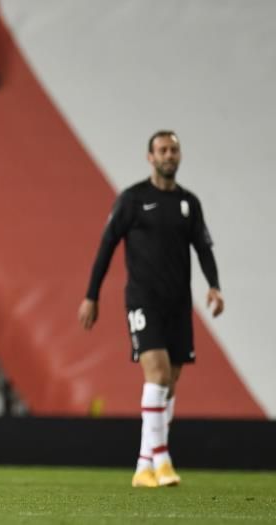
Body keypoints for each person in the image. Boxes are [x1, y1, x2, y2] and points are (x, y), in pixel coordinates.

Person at [78, 130, 224, 488]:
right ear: (150, 157)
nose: (169, 156)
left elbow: (203, 247)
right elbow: (106, 247)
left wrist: (214, 286)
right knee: (157, 375)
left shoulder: (189, 203)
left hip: (178, 303)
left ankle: (144, 464)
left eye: (174, 150)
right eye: (162, 150)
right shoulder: (132, 199)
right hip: (144, 300)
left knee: (170, 384)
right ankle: (163, 459)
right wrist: (91, 295)